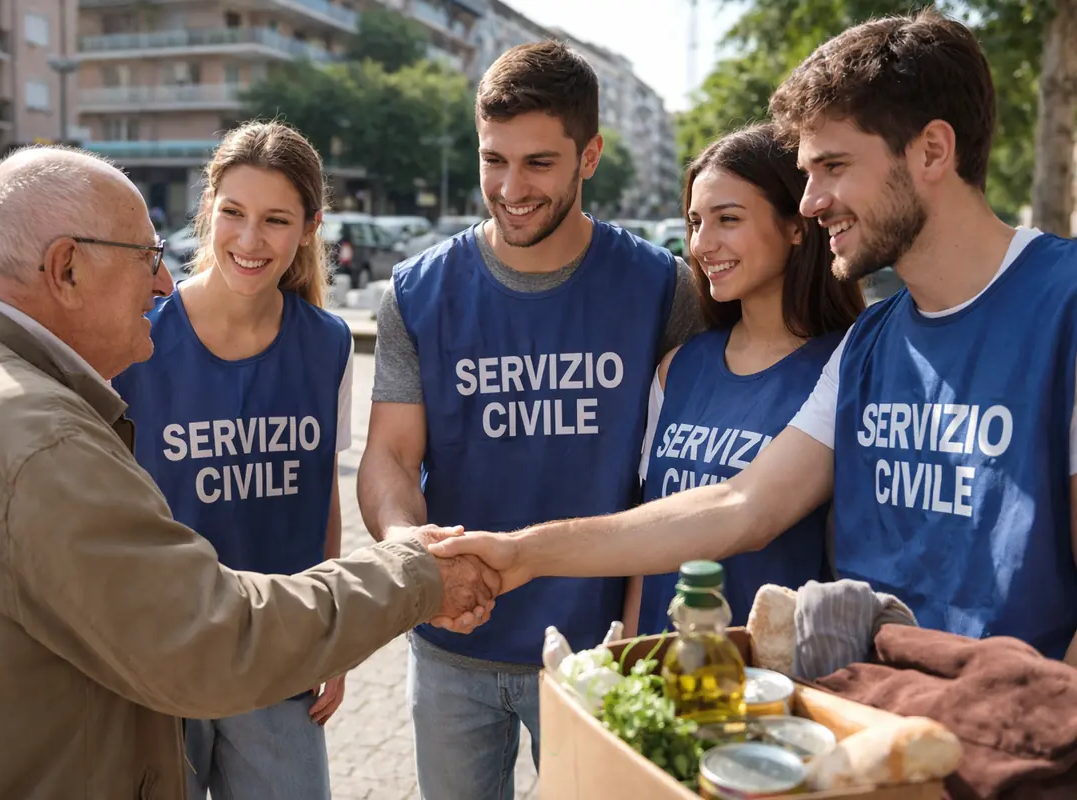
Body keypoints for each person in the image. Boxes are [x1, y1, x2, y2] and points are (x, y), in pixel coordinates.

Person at [431, 11, 1077, 666]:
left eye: (832, 166)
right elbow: (741, 506)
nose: (811, 200)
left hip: (1018, 746)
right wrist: (522, 554)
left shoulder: (1063, 307)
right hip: (874, 729)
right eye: (807, 171)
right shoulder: (868, 344)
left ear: (933, 151)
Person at [0, 144, 499, 799]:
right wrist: (416, 575)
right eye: (146, 259)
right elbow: (209, 640)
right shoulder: (40, 438)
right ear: (66, 267)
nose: (163, 283)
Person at [357, 40, 700, 799]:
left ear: (591, 155)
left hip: (600, 647)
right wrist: (411, 551)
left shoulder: (661, 290)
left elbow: (675, 484)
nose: (509, 188)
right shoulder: (418, 291)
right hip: (452, 643)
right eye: (493, 160)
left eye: (538, 163)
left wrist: (640, 636)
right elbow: (387, 456)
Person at [113, 121, 353, 800]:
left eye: (276, 220)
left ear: (309, 227)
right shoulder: (137, 340)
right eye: (234, 214)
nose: (250, 241)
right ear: (208, 208)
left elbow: (322, 499)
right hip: (162, 657)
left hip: (278, 653)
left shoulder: (329, 344)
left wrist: (333, 636)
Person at [632, 124, 864, 634]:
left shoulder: (850, 368)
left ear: (797, 226)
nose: (701, 244)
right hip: (659, 680)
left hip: (769, 689)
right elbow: (644, 543)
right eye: (694, 222)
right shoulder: (677, 369)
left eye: (728, 220)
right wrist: (626, 659)